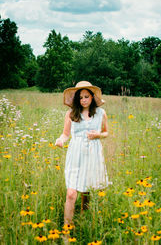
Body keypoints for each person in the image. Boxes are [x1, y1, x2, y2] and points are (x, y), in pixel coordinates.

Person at [55, 81, 110, 226]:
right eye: (80, 97)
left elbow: (106, 132)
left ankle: (84, 217)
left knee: (87, 189)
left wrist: (98, 134)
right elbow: (65, 134)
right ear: (76, 99)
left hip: (93, 153)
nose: (83, 100)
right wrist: (60, 140)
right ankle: (67, 230)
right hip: (75, 154)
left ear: (92, 97)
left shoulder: (101, 113)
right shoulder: (71, 114)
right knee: (71, 193)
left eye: (86, 96)